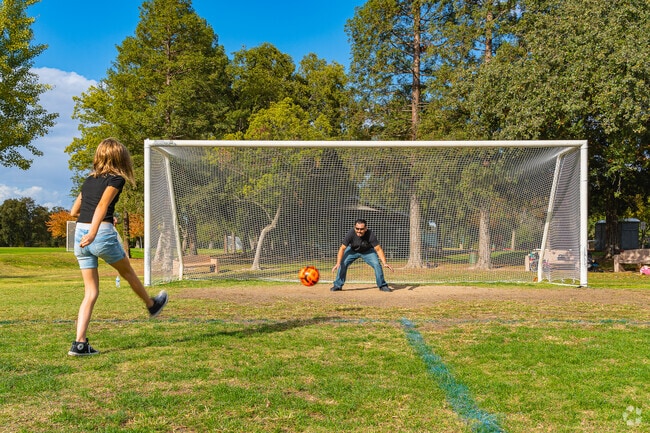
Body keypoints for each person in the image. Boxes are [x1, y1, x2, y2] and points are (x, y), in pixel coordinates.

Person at [68, 138, 168, 356]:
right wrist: (95, 231)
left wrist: (95, 225)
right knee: (129, 273)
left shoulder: (88, 180)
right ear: (120, 157)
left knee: (91, 292)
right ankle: (151, 304)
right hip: (98, 235)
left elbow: (74, 211)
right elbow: (103, 205)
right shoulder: (116, 179)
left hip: (79, 236)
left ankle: (79, 343)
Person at [331, 218, 394, 292]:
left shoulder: (371, 234)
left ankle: (382, 285)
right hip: (352, 250)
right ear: (354, 227)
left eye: (361, 229)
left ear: (366, 228)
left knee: (377, 264)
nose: (359, 231)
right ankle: (338, 285)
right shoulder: (350, 233)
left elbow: (378, 249)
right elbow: (342, 248)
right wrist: (338, 263)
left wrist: (385, 263)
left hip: (368, 251)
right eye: (357, 229)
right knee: (343, 263)